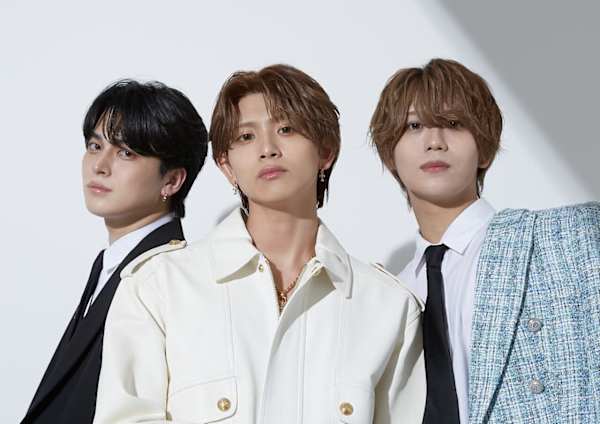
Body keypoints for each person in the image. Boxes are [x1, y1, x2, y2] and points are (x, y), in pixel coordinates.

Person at [93, 64, 425, 423]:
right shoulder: (158, 286)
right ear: (226, 165)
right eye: (246, 137)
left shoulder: (387, 307)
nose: (268, 149)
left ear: (325, 152)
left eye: (286, 129)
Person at [369, 58, 600, 423]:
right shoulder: (391, 294)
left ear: (485, 148)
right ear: (389, 154)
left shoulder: (563, 236)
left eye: (453, 123)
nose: (434, 142)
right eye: (414, 126)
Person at [21, 79, 208, 424]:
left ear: (171, 181)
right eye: (95, 146)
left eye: (126, 153)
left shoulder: (170, 279)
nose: (100, 165)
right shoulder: (113, 264)